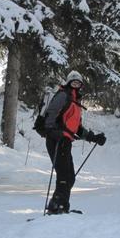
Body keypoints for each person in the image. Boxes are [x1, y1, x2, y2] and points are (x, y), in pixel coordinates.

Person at [43, 70, 106, 214]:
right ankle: (56, 207)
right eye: (73, 82)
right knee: (64, 175)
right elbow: (51, 114)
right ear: (68, 82)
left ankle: (61, 206)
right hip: (57, 140)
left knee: (69, 176)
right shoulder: (63, 96)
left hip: (65, 141)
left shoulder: (75, 102)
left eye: (78, 83)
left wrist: (94, 137)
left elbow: (77, 128)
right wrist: (53, 132)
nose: (76, 85)